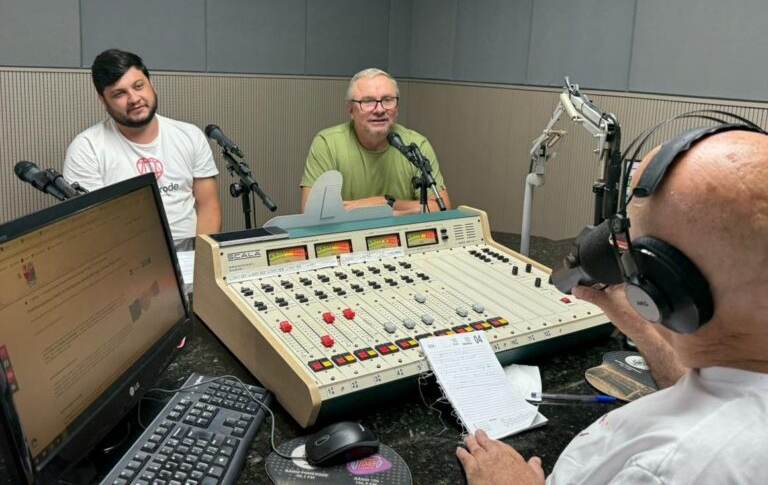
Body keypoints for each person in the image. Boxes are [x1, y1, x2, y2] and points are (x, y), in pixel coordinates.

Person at [457, 128, 768, 484]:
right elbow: (715, 397)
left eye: (630, 241)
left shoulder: (667, 470)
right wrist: (643, 326)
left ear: (665, 287)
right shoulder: (740, 370)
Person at [64, 49, 221, 244]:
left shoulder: (190, 135)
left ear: (151, 85)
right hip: (129, 256)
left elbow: (208, 205)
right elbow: (94, 227)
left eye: (138, 86)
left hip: (191, 253)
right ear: (103, 100)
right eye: (119, 93)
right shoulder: (86, 149)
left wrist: (201, 258)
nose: (134, 99)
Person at [300, 68, 451, 215]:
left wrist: (386, 203)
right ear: (351, 110)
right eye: (368, 101)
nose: (379, 110)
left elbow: (442, 209)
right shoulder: (327, 144)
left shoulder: (415, 145)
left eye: (387, 100)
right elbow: (311, 213)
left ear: (397, 108)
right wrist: (401, 211)